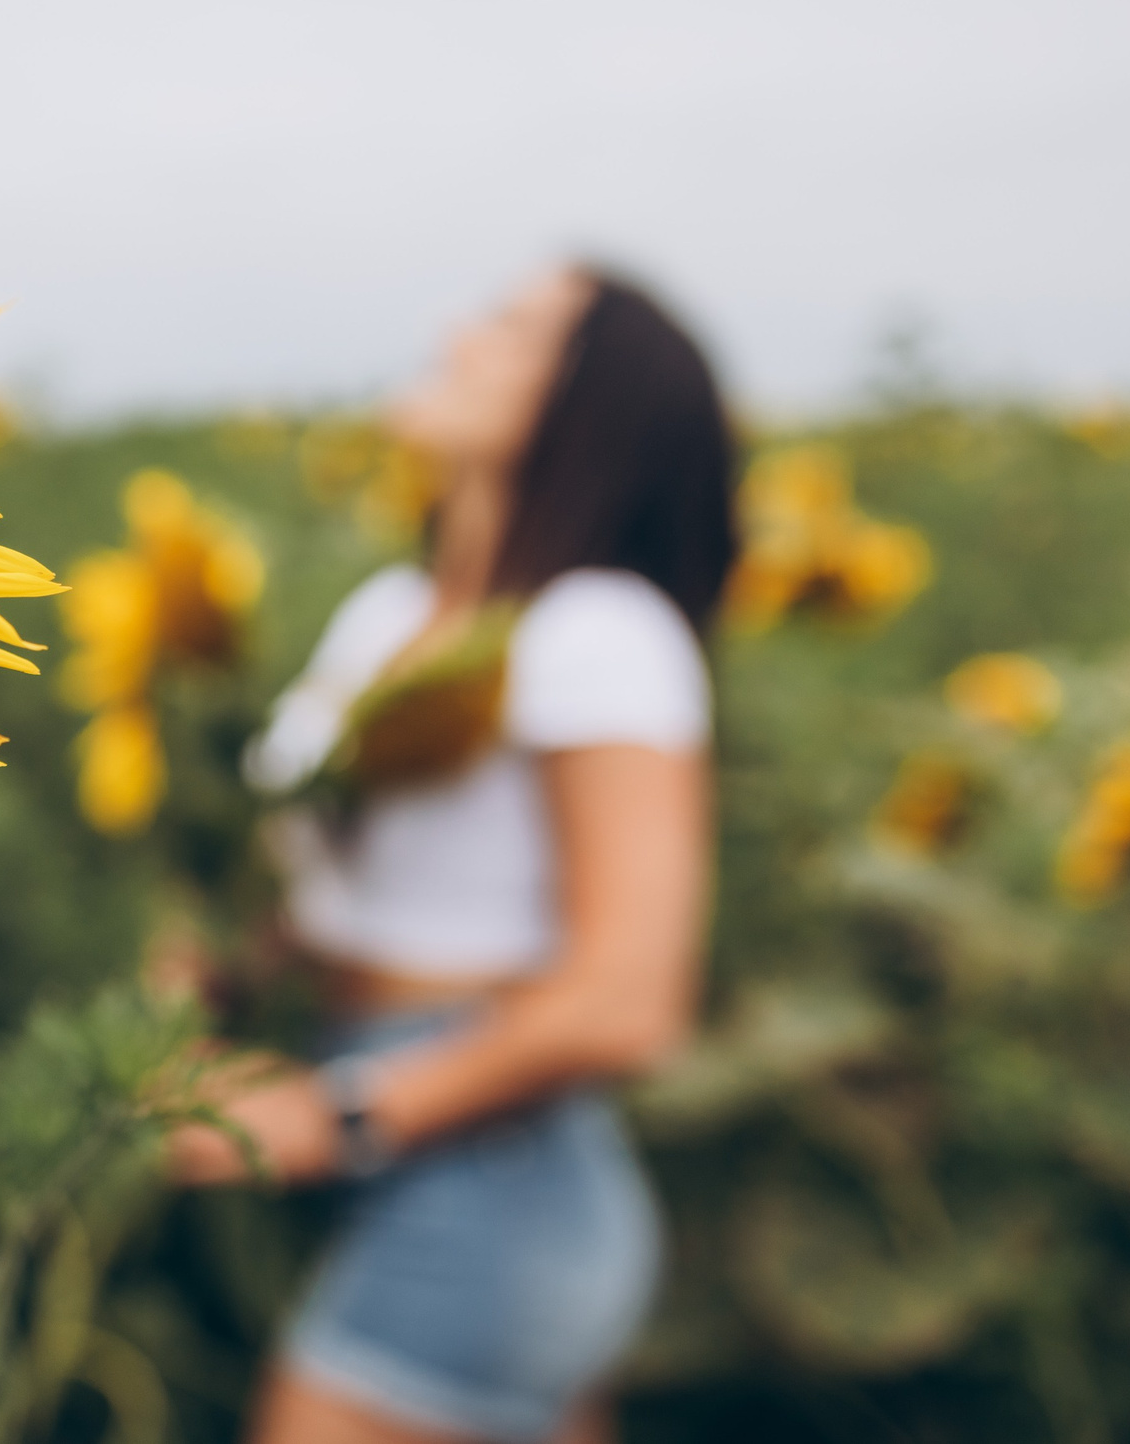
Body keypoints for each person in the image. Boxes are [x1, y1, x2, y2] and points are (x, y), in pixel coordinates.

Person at [164, 264, 737, 1444]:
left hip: (494, 1177)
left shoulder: (598, 633)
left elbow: (627, 1002)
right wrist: (185, 997)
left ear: (594, 404)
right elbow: (320, 880)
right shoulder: (389, 611)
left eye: (513, 328)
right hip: (428, 1156)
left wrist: (335, 1118)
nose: (455, 335)